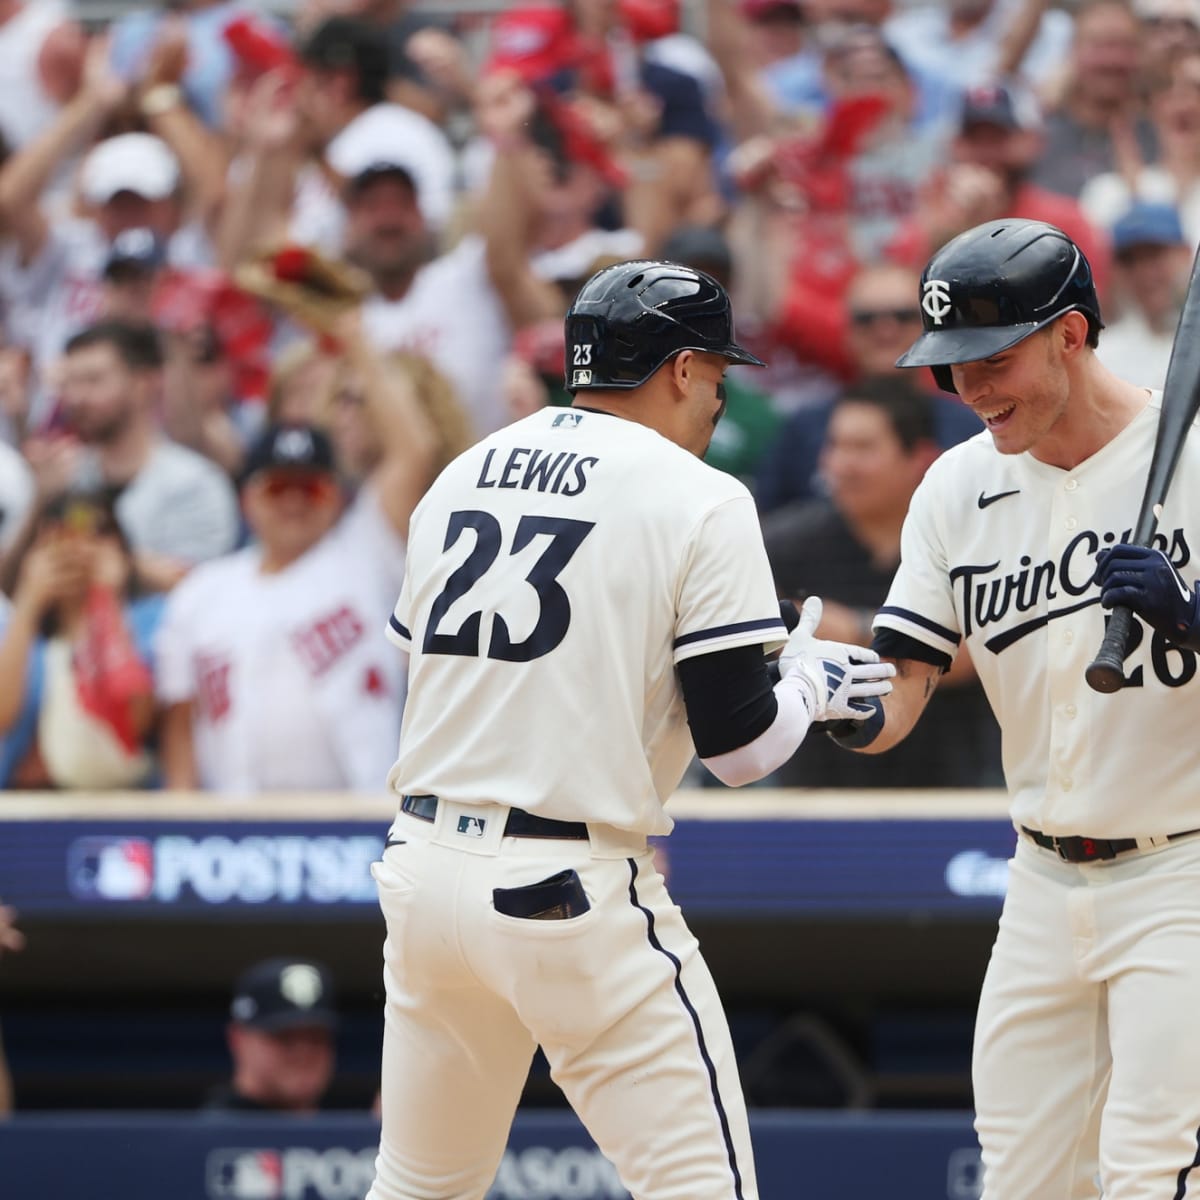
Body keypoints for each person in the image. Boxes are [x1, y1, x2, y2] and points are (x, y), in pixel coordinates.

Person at [365, 259, 894, 1200]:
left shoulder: (463, 470)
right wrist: (808, 683)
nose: (718, 401)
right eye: (717, 377)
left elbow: (447, 664)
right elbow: (741, 754)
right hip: (565, 890)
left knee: (417, 1188)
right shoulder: (701, 493)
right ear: (681, 369)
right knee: (702, 1189)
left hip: (420, 872)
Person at [842, 216, 1200, 1196]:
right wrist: (827, 698)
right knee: (1024, 1178)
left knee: (1154, 1172)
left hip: (1185, 873)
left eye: (992, 359)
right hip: (1041, 881)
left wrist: (1191, 617)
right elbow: (904, 678)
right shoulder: (956, 485)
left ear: (1073, 334)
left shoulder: (1196, 449)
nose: (970, 391)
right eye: (950, 369)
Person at [762, 377, 1002, 787]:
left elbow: (976, 652)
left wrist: (852, 631)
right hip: (813, 789)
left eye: (863, 448)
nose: (841, 465)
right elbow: (766, 647)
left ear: (920, 457)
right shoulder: (783, 545)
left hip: (957, 787)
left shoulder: (969, 538)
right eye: (835, 446)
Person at [203, 957, 337, 1114]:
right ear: (237, 1039)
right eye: (285, 1038)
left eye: (316, 1038)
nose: (303, 1053)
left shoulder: (351, 1133)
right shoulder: (209, 1134)